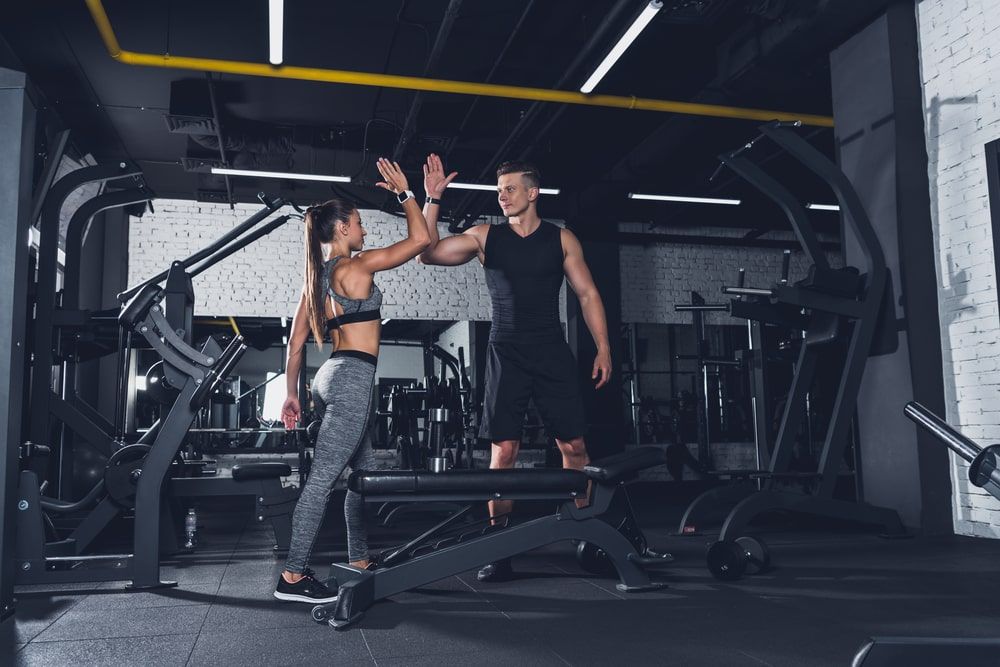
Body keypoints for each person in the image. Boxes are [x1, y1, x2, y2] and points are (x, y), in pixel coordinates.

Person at [417, 154, 612, 581]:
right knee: (503, 453)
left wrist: (603, 347)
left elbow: (588, 294)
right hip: (505, 350)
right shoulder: (485, 236)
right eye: (499, 190)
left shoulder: (562, 239)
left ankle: (588, 534)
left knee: (574, 449)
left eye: (510, 188)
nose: (502, 196)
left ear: (532, 192)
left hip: (551, 351)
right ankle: (498, 548)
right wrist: (433, 199)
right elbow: (428, 255)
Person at [273, 157, 433, 603]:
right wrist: (405, 193)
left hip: (330, 376)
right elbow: (421, 239)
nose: (364, 230)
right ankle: (292, 577)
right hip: (353, 376)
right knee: (324, 478)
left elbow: (295, 346)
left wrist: (292, 395)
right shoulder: (356, 266)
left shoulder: (315, 281)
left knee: (359, 475)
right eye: (359, 223)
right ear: (341, 229)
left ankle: (359, 559)